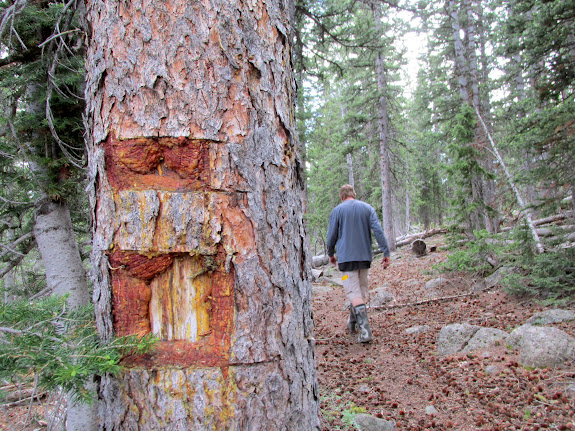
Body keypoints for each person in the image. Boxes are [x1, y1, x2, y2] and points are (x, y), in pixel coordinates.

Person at [327, 184, 391, 343]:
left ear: (341, 197)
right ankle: (353, 322)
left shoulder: (338, 211)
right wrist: (385, 252)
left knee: (352, 291)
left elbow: (331, 236)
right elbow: (378, 231)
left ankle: (365, 331)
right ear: (353, 194)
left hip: (346, 260)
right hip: (364, 258)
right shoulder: (367, 208)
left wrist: (330, 254)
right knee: (360, 291)